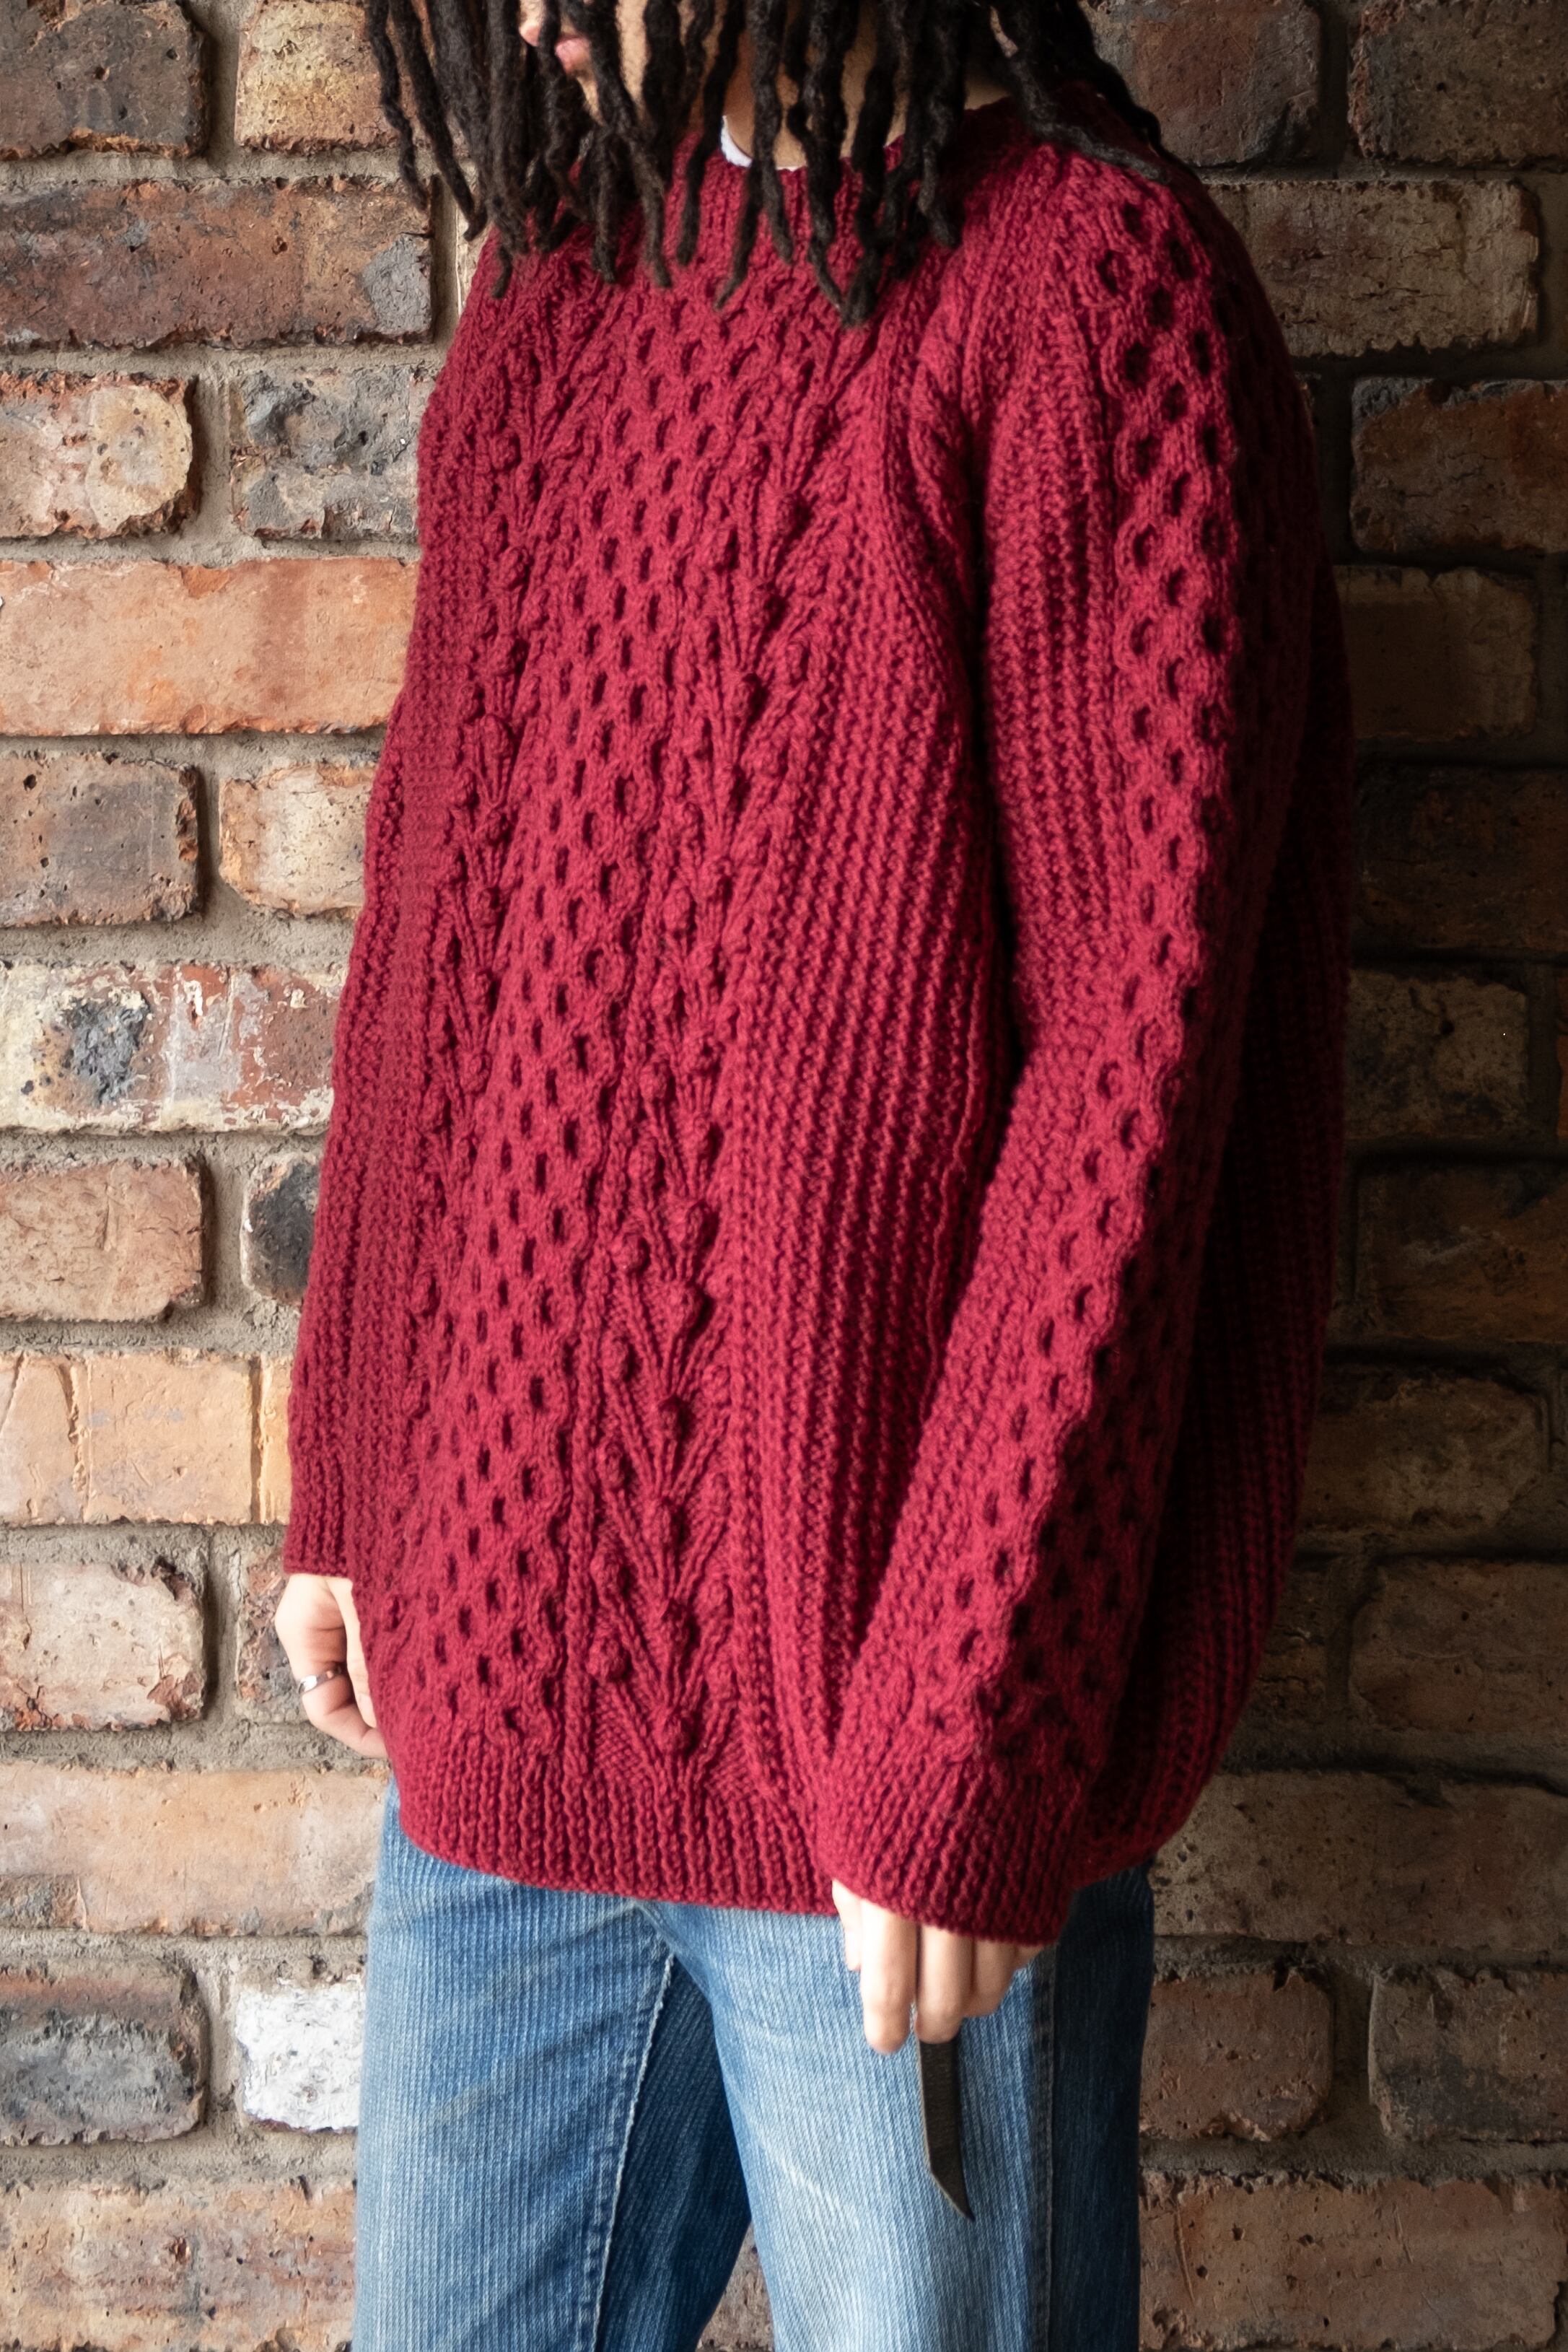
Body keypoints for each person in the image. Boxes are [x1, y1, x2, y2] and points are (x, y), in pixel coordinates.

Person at [271, 0, 1355, 2334]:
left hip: (894, 1773)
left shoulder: (1092, 295)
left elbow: (1137, 1083)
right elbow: (439, 902)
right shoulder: (570, 271)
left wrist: (980, 1710)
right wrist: (356, 1465)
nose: (537, 15)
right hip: (503, 1726)